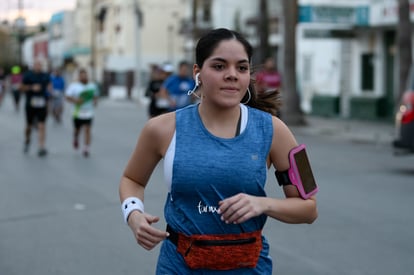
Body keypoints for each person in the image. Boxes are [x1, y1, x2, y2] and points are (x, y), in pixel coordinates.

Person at [118, 28, 318, 274]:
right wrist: (133, 214)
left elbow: (309, 208)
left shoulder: (275, 130)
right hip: (178, 265)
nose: (232, 75)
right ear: (197, 73)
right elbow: (132, 179)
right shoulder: (161, 128)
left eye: (242, 68)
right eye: (220, 66)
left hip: (248, 267)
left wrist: (263, 204)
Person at [65, 68, 99, 157]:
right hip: (77, 111)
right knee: (77, 130)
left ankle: (86, 148)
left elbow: (95, 96)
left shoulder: (92, 86)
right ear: (79, 77)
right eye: (82, 75)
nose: (84, 77)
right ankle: (76, 138)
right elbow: (67, 97)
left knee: (88, 129)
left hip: (88, 111)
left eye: (85, 75)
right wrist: (75, 100)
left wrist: (95, 101)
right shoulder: (74, 86)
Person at [21, 60, 51, 157]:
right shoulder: (28, 75)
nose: (38, 66)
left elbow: (49, 86)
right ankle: (27, 140)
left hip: (42, 103)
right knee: (29, 126)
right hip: (30, 103)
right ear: (33, 66)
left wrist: (50, 91)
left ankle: (41, 147)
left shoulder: (45, 75)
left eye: (40, 65)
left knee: (41, 125)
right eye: (36, 65)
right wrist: (31, 88)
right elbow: (20, 87)